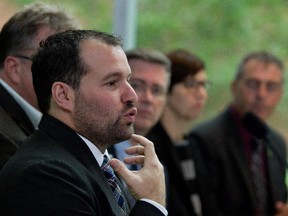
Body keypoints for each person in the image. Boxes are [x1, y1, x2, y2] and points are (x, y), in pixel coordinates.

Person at [0, 29, 167, 216]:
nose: (132, 96)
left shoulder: (93, 163)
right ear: (63, 95)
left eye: (128, 81)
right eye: (112, 83)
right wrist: (153, 202)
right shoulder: (46, 175)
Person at [188, 51, 287, 216]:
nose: (261, 95)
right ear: (234, 87)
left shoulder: (276, 142)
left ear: (280, 94)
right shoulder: (205, 139)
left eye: (271, 87)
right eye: (253, 84)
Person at [0, 2, 80, 169]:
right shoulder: (5, 138)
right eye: (55, 64)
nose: (68, 77)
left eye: (72, 67)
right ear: (14, 68)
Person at [146, 49, 216, 216]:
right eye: (191, 84)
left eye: (203, 85)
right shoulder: (151, 146)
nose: (201, 94)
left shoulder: (194, 144)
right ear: (167, 89)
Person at [109, 48, 171, 170]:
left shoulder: (159, 165)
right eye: (136, 85)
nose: (148, 99)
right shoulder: (95, 154)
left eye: (157, 90)